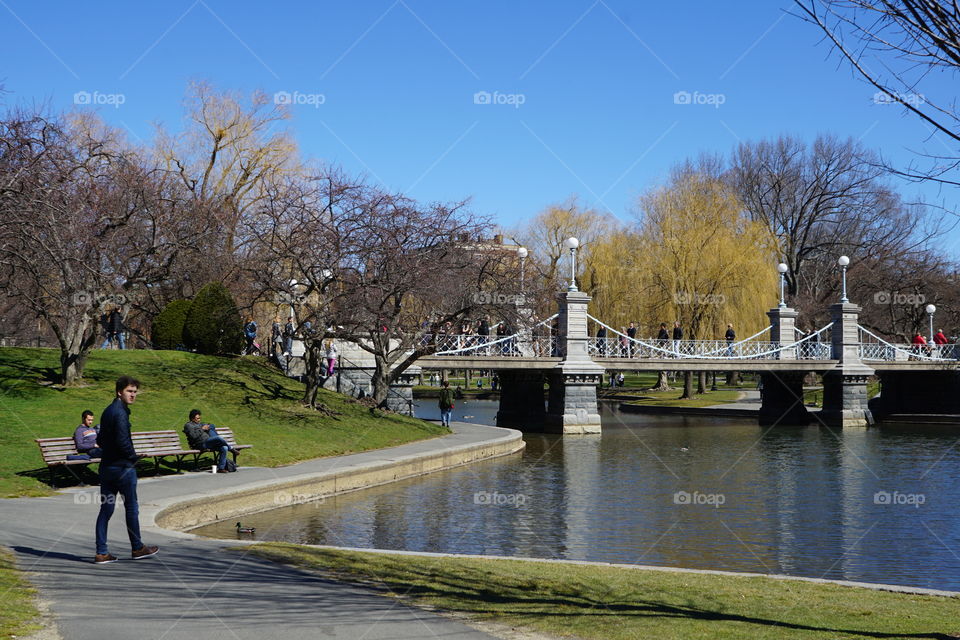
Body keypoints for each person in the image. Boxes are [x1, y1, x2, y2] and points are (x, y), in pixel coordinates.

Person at [94, 375, 159, 564]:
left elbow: (100, 440)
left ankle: (101, 552)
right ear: (119, 392)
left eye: (135, 392)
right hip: (123, 469)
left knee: (106, 510)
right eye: (129, 391)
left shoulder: (107, 411)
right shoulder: (120, 413)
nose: (133, 395)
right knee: (131, 507)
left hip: (107, 468)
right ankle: (137, 548)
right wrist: (134, 458)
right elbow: (123, 441)